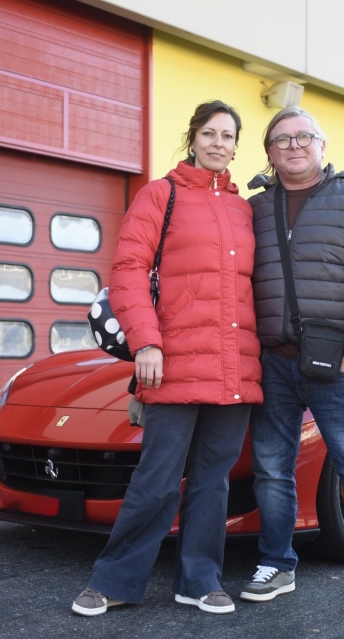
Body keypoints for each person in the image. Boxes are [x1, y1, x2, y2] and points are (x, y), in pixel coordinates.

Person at [71, 101, 262, 617]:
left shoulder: (244, 209)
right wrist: (146, 343)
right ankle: (114, 580)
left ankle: (199, 581)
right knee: (155, 479)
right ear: (192, 137)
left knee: (212, 482)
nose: (218, 143)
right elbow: (129, 269)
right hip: (173, 363)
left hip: (233, 368)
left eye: (228, 135)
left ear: (236, 146)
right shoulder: (162, 195)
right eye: (209, 133)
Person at [241, 107, 344, 617]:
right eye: (281, 140)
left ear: (322, 145)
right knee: (271, 469)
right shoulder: (253, 208)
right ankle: (278, 563)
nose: (293, 146)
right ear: (269, 152)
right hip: (272, 362)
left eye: (303, 137)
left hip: (337, 364)